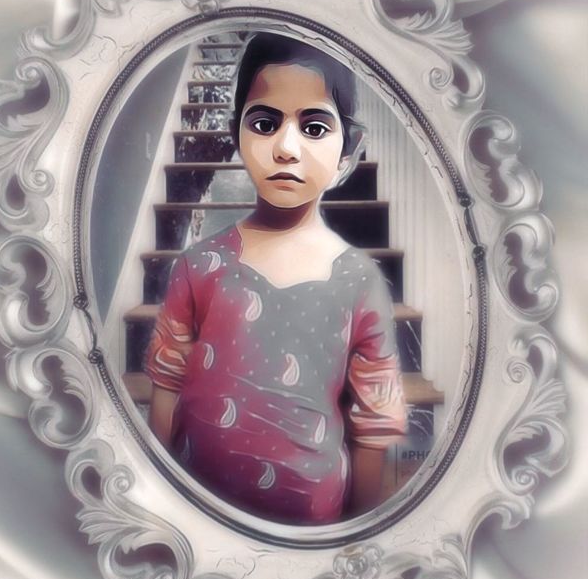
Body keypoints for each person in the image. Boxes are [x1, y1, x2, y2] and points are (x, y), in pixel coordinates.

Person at [146, 32, 407, 524]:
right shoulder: (199, 266)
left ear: (349, 147)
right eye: (265, 124)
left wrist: (353, 535)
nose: (286, 148)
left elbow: (373, 423)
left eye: (314, 127)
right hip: (201, 512)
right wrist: (161, 507)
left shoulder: (359, 281)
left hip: (313, 520)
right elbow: (167, 385)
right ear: (237, 134)